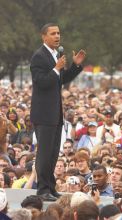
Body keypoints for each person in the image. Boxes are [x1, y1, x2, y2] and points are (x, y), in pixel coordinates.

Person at [30, 22, 86, 201]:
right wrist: (56, 69)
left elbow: (60, 80)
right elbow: (41, 82)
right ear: (44, 36)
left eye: (58, 33)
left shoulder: (56, 54)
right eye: (53, 33)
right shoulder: (39, 56)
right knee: (44, 153)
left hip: (55, 113)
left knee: (53, 153)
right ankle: (42, 190)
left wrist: (75, 66)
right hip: (43, 114)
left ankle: (50, 187)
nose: (57, 36)